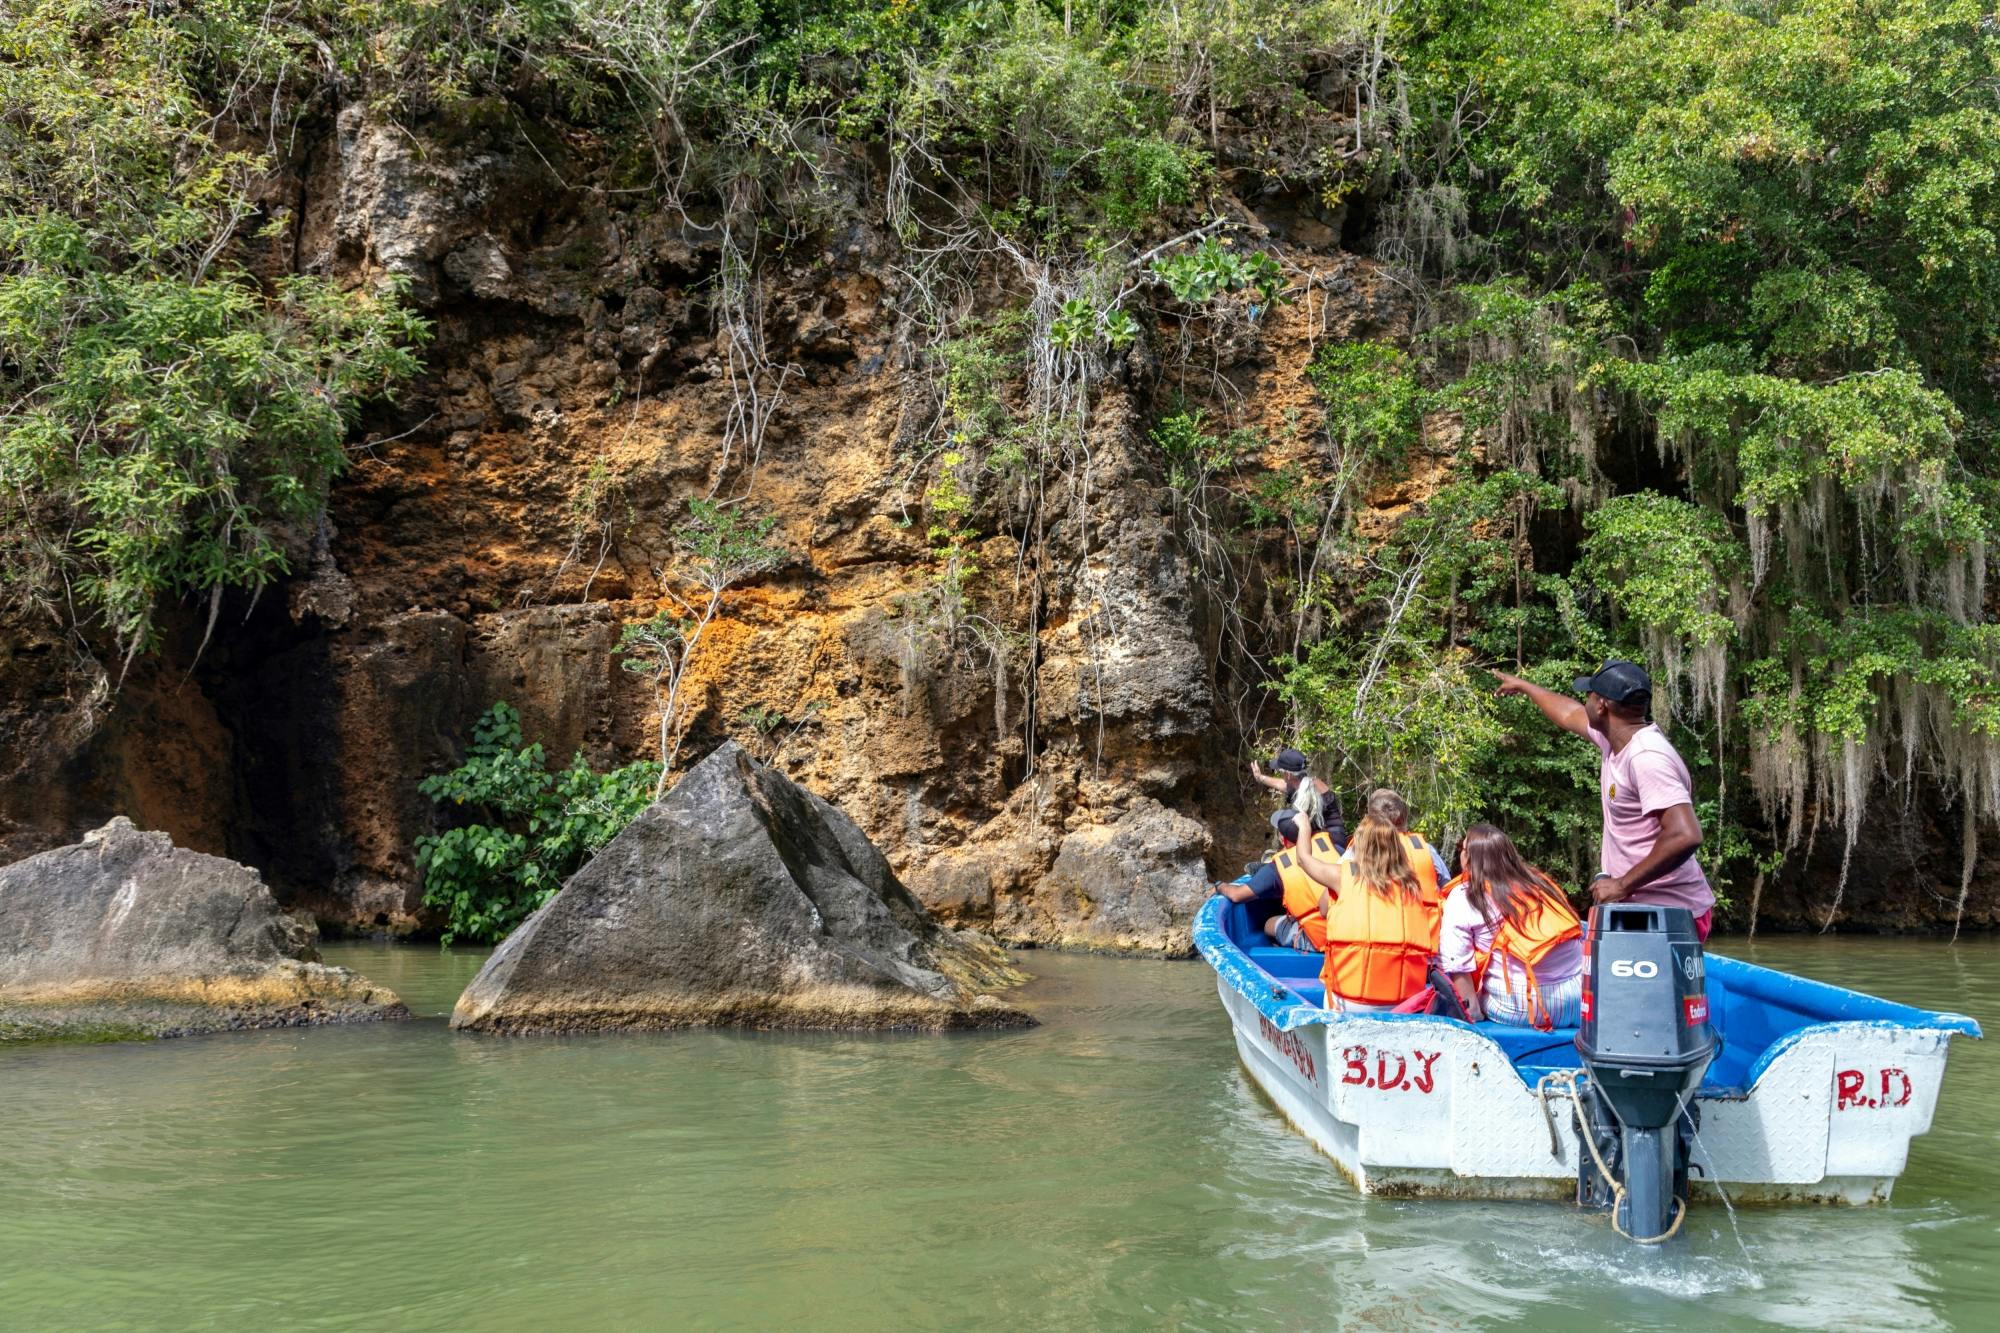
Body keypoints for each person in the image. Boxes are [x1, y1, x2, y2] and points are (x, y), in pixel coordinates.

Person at [1494, 660, 1716, 938]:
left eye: (1588, 694)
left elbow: (1686, 835)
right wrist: (1525, 686)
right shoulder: (1615, 739)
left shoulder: (1647, 758)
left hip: (1668, 914)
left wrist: (1623, 884)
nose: (1583, 702)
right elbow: (1569, 714)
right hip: (1642, 909)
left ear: (1601, 705)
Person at [1440, 824, 1585, 1029]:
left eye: (1461, 849)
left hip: (1527, 1009)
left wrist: (1472, 1011)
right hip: (1581, 1001)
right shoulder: (1540, 885)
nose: (1460, 855)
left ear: (1470, 858)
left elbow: (1457, 964)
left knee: (1469, 996)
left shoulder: (1465, 895)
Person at [1294, 815, 1443, 1012]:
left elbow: (1303, 859)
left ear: (1360, 846)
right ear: (1396, 847)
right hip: (1406, 1005)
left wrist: (1304, 825)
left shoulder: (1342, 875)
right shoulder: (1412, 885)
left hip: (1352, 1005)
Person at [1214, 812, 1324, 936]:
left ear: (1282, 839)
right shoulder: (1331, 847)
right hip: (1340, 924)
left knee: (1269, 924)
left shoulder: (1277, 868)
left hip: (1317, 934)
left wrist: (1220, 885)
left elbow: (1236, 895)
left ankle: (1280, 945)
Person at [1248, 748, 1346, 847]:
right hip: (1322, 838)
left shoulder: (1315, 787)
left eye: (1282, 772)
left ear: (1288, 775)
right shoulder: (1302, 784)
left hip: (1331, 842)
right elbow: (1282, 784)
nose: (1282, 775)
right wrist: (1260, 778)